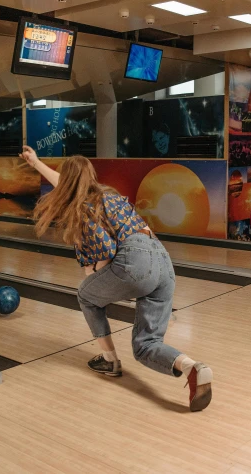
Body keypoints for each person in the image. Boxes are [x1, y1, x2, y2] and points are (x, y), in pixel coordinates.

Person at [19, 146, 213, 412]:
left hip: (134, 261)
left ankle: (109, 360)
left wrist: (98, 277)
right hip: (163, 260)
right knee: (146, 345)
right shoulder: (107, 195)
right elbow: (66, 184)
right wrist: (36, 163)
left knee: (86, 296)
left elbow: (107, 254)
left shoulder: (83, 212)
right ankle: (193, 368)